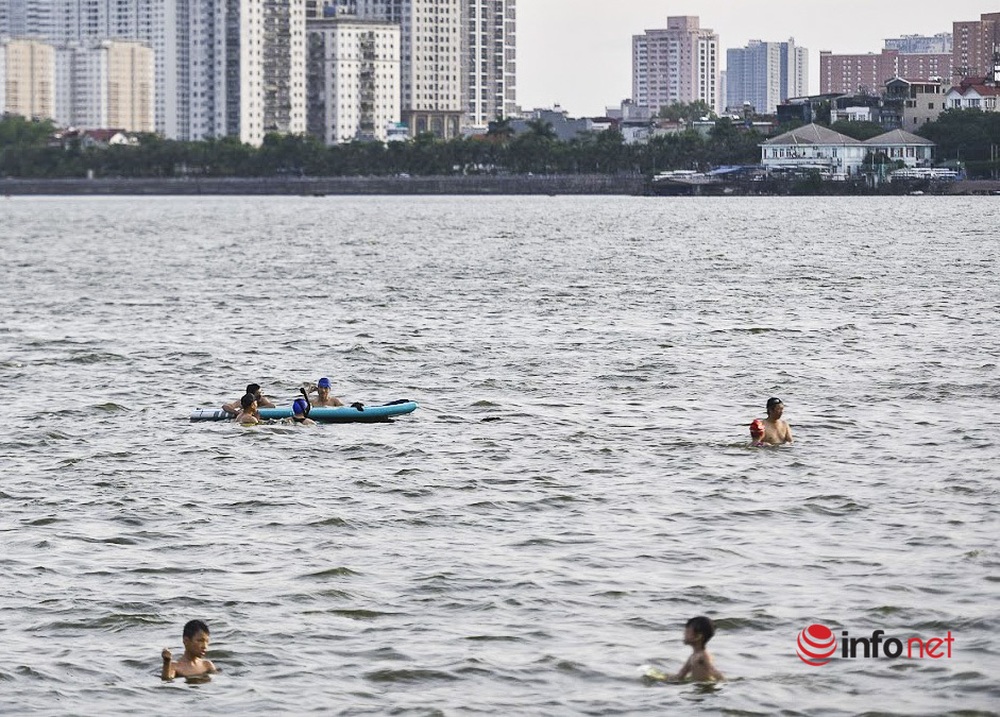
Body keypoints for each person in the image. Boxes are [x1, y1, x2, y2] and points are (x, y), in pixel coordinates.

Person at [676, 616, 724, 682]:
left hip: (706, 690)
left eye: (687, 632)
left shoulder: (702, 656)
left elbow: (714, 672)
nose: (684, 634)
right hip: (698, 688)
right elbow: (679, 676)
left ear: (698, 636)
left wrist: (725, 683)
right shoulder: (692, 657)